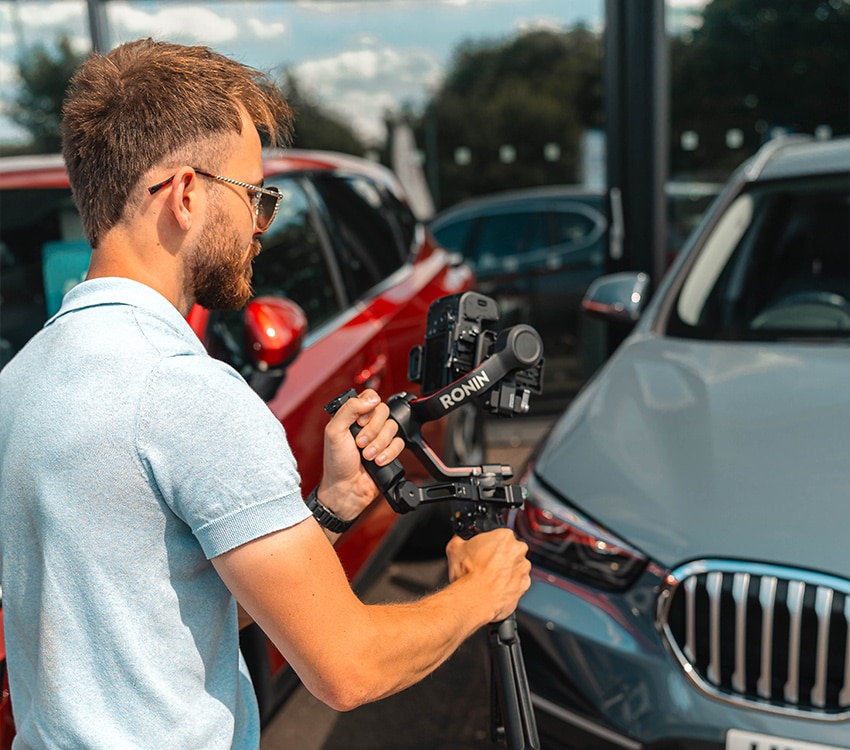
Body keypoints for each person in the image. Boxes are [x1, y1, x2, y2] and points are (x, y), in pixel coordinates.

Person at [0, 39, 531, 749]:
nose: (259, 225)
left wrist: (334, 508)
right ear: (186, 195)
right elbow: (347, 668)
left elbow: (172, 613)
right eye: (254, 196)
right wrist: (480, 592)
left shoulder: (23, 378)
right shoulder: (186, 392)